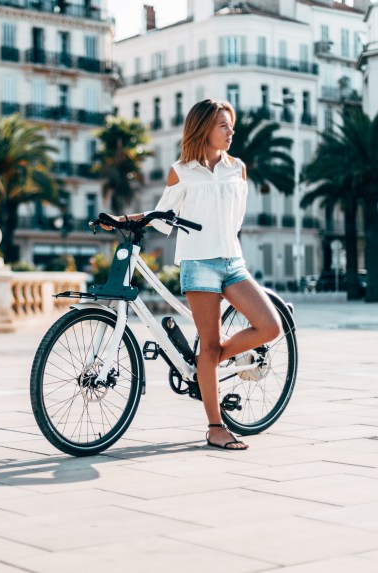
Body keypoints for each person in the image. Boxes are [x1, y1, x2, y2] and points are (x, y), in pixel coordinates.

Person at [102, 99, 281, 451]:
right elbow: (161, 214)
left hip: (233, 262)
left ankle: (206, 365)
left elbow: (237, 220)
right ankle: (216, 427)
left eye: (231, 125)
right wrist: (123, 220)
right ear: (204, 129)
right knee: (210, 343)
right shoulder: (181, 171)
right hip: (198, 264)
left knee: (270, 327)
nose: (231, 132)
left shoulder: (238, 169)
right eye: (223, 126)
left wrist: (210, 360)